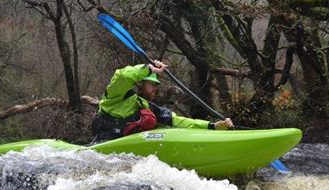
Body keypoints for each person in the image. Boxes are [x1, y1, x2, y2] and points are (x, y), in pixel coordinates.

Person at [92, 60, 234, 141]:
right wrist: (149, 69)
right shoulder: (115, 95)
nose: (156, 89)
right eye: (152, 84)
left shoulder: (148, 107)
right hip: (102, 142)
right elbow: (123, 76)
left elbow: (179, 121)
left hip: (124, 150)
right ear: (140, 84)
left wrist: (213, 126)